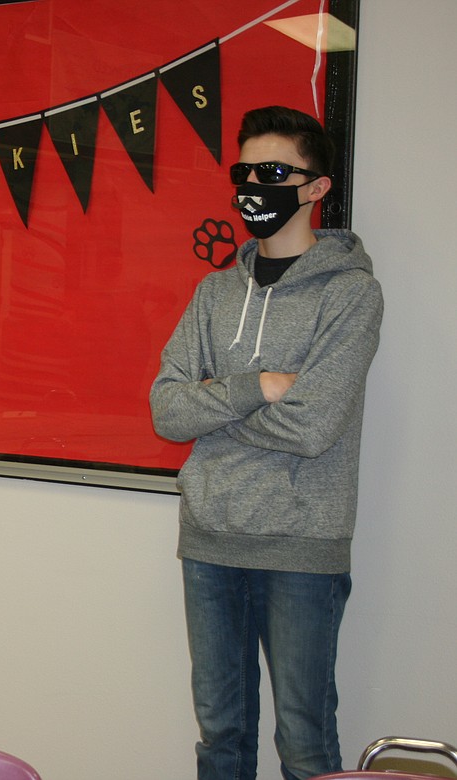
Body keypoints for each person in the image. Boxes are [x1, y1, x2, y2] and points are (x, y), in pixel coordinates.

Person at [149, 106, 383, 780]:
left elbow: (313, 427)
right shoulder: (214, 291)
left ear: (316, 188)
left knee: (305, 742)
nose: (254, 183)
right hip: (209, 539)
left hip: (301, 544)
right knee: (220, 734)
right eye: (245, 170)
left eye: (274, 171)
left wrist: (214, 403)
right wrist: (257, 386)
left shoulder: (352, 294)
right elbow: (167, 410)